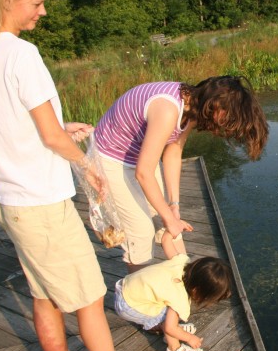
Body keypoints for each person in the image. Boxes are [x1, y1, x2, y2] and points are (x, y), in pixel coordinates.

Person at [0, 0, 167, 351]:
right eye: (35, 2)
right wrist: (90, 168)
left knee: (44, 294)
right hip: (41, 206)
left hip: (10, 202)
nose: (42, 12)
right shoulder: (22, 54)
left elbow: (15, 123)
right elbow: (51, 138)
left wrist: (61, 129)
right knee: (90, 297)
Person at [93, 76, 268, 273]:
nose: (226, 126)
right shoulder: (168, 109)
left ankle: (185, 276)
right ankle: (137, 295)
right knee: (141, 231)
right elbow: (143, 173)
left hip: (135, 156)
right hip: (108, 159)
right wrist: (168, 217)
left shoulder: (191, 105)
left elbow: (173, 151)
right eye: (228, 118)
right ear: (215, 104)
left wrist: (173, 206)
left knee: (169, 217)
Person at [114, 229, 233, 351]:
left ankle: (167, 330)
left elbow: (166, 240)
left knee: (169, 315)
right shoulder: (179, 298)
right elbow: (170, 327)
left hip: (125, 287)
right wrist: (189, 338)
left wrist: (175, 228)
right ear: (198, 291)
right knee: (168, 319)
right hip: (129, 305)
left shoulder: (182, 262)